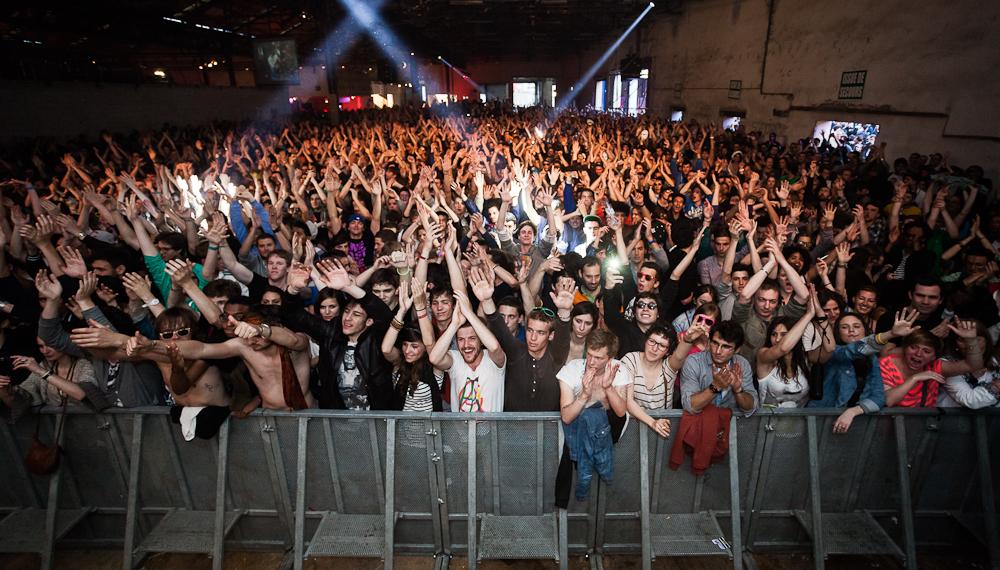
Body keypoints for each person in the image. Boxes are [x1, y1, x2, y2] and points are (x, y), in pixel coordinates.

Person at [472, 266, 561, 412]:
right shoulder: (517, 351)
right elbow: (500, 328)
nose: (532, 337)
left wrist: (564, 311)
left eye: (540, 333)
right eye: (530, 330)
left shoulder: (556, 356)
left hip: (547, 432)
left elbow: (563, 336)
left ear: (550, 335)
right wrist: (487, 300)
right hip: (512, 430)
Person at [429, 291, 507, 412]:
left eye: (472, 339)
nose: (466, 345)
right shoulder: (455, 359)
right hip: (460, 431)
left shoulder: (493, 359)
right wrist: (454, 324)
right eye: (460, 339)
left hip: (492, 431)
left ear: (481, 341)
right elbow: (434, 358)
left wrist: (468, 313)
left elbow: (495, 347)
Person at [880, 323, 984, 408]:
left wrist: (971, 341)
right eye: (913, 347)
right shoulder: (887, 364)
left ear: (934, 357)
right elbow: (888, 400)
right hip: (889, 425)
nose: (918, 354)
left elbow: (973, 366)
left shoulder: (935, 366)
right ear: (904, 349)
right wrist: (914, 378)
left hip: (922, 427)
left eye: (926, 351)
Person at [679, 321, 759, 416]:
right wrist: (715, 387)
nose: (718, 351)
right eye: (715, 343)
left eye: (726, 346)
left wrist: (738, 390)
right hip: (699, 426)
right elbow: (690, 405)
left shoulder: (742, 364)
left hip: (731, 427)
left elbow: (751, 407)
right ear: (709, 341)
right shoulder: (693, 362)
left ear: (737, 349)